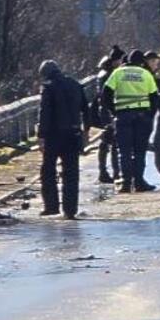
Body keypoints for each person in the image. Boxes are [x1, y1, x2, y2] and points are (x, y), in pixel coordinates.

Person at [103, 50, 160, 193]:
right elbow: (154, 97)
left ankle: (126, 183)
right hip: (142, 117)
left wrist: (114, 110)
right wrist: (150, 116)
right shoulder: (146, 74)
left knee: (125, 151)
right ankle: (139, 182)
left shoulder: (118, 72)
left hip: (123, 116)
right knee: (140, 151)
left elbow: (106, 93)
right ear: (142, 62)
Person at [37, 60, 89, 219]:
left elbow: (44, 113)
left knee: (48, 171)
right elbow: (86, 109)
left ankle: (52, 206)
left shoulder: (48, 87)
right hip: (73, 134)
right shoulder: (75, 85)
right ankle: (70, 209)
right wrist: (86, 131)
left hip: (53, 135)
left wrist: (41, 136)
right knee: (71, 172)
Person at [93, 54, 121, 184]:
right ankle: (113, 172)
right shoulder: (109, 75)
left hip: (104, 112)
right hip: (108, 112)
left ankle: (105, 171)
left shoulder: (102, 73)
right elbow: (109, 95)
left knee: (107, 142)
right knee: (112, 142)